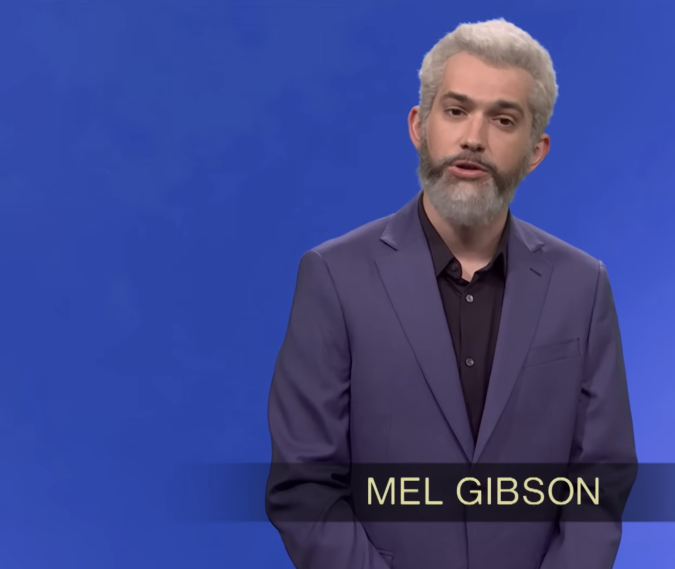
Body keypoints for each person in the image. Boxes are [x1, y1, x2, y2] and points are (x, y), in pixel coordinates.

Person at [265, 18, 636, 569]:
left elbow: (599, 485)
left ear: (536, 151)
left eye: (503, 119)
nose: (473, 138)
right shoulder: (334, 276)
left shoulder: (582, 287)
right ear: (419, 125)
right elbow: (304, 486)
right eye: (456, 110)